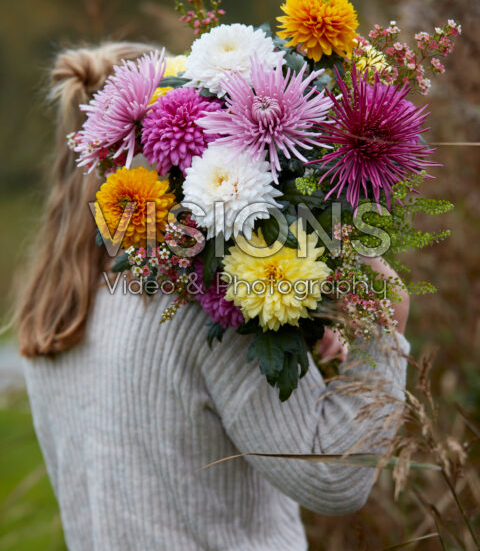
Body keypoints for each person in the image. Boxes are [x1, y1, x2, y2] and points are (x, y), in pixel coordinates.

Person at [15, 42, 411, 551]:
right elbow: (331, 477)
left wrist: (309, 337)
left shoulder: (53, 315)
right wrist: (385, 322)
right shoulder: (197, 302)